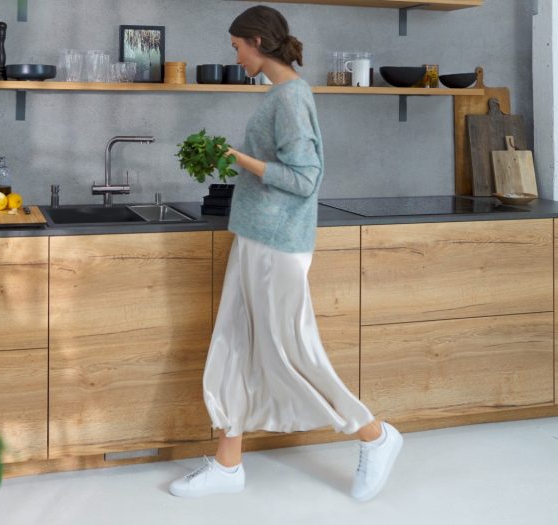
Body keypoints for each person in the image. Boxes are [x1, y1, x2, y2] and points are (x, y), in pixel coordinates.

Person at [168, 5, 403, 502]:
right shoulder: (278, 93)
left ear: (256, 40)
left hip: (278, 243)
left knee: (294, 351)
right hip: (255, 236)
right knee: (233, 341)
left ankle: (374, 434)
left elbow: (305, 179)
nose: (234, 55)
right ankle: (228, 465)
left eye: (236, 46)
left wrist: (236, 157)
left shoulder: (291, 97)